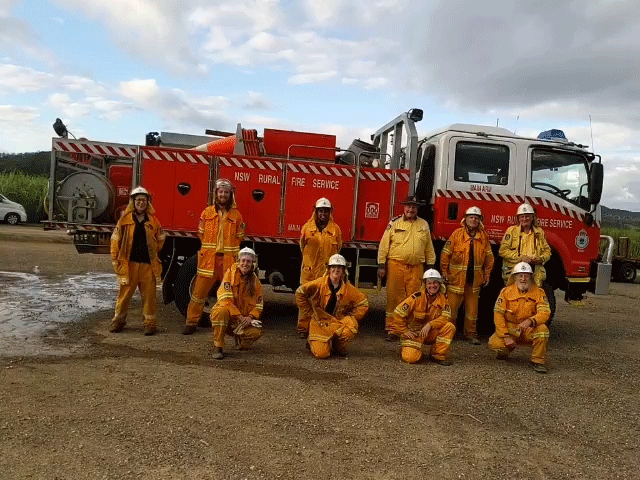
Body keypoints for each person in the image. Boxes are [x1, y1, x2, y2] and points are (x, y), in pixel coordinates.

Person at [183, 178, 245, 335]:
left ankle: (230, 324)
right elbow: (201, 234)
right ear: (216, 194)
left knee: (230, 294)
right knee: (198, 294)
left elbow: (240, 237)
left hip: (228, 262)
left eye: (226, 192)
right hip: (209, 260)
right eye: (220, 192)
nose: (223, 195)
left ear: (230, 195)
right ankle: (191, 322)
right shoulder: (207, 213)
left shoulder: (237, 215)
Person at [377, 195, 436, 341]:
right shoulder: (394, 223)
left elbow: (429, 247)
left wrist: (431, 267)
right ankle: (393, 329)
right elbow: (384, 245)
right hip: (396, 265)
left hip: (416, 268)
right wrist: (381, 265)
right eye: (408, 206)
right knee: (394, 298)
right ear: (404, 207)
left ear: (417, 209)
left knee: (414, 299)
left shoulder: (424, 225)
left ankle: (409, 329)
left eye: (414, 206)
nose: (411, 209)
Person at [109, 186, 166, 335]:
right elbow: (115, 241)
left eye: (144, 200)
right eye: (138, 200)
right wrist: (116, 261)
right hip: (130, 265)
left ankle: (149, 324)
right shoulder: (124, 221)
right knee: (124, 296)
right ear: (133, 202)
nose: (141, 203)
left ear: (148, 203)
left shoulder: (153, 221)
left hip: (148, 266)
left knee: (149, 298)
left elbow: (161, 239)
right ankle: (118, 322)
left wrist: (153, 250)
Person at [295, 254, 369, 359]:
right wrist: (310, 313)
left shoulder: (348, 289)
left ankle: (337, 345)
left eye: (339, 267)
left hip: (337, 322)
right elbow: (300, 292)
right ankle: (312, 341)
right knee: (322, 354)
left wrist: (351, 316)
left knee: (351, 326)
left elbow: (363, 303)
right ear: (329, 269)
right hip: (320, 322)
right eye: (333, 267)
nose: (336, 270)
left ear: (343, 271)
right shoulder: (319, 284)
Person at [440, 206, 494, 344]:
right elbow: (445, 254)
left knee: (472, 311)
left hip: (474, 281)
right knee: (451, 310)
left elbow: (489, 258)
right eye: (471, 217)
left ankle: (470, 334)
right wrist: (444, 272)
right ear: (465, 219)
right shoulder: (457, 235)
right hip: (456, 279)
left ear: (479, 220)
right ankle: (448, 333)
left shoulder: (483, 237)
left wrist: (487, 274)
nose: (473, 220)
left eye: (476, 218)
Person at [488, 262, 551, 373]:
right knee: (494, 343)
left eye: (526, 276)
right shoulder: (506, 292)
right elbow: (498, 314)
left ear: (531, 277)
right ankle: (506, 350)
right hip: (511, 328)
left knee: (543, 331)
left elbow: (545, 312)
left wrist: (531, 321)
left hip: (529, 328)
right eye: (520, 276)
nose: (523, 279)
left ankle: (537, 361)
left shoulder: (539, 292)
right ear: (515, 277)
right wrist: (505, 336)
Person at [297, 197, 343, 338]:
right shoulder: (307, 228)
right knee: (306, 300)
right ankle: (303, 328)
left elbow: (338, 248)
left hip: (325, 273)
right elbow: (302, 246)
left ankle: (319, 328)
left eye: (326, 211)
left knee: (323, 302)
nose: (323, 214)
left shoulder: (335, 230)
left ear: (330, 213)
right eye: (320, 211)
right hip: (309, 272)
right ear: (316, 212)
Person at [392, 269, 456, 365]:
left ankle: (438, 355)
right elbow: (398, 313)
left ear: (439, 284)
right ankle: (407, 347)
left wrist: (430, 325)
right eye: (429, 283)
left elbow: (446, 317)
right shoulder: (416, 298)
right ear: (425, 285)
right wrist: (404, 331)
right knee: (411, 358)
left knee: (449, 327)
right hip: (414, 334)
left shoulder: (443, 299)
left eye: (435, 283)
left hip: (429, 332)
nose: (432, 286)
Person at [209, 247, 263, 360]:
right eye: (243, 260)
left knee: (255, 333)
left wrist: (250, 317)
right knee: (220, 312)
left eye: (248, 261)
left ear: (253, 264)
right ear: (239, 261)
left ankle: (238, 339)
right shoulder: (230, 275)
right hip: (230, 316)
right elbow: (225, 300)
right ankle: (218, 346)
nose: (245, 264)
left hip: (242, 320)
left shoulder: (256, 282)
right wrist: (239, 317)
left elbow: (259, 305)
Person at [499, 203, 551, 287]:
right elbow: (503, 251)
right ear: (518, 218)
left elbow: (547, 251)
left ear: (532, 217)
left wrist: (541, 259)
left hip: (534, 274)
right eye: (522, 216)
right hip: (515, 274)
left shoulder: (539, 232)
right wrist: (520, 258)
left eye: (527, 216)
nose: (524, 219)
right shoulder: (511, 231)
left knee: (534, 294)